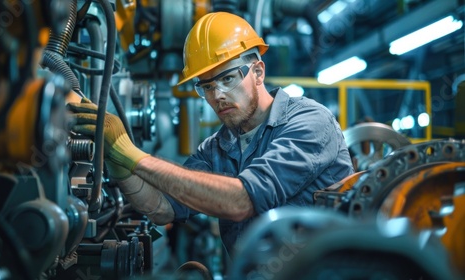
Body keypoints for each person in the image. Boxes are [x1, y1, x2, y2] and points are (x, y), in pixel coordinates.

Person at [67, 12, 354, 258]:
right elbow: (162, 209)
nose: (217, 95)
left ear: (258, 72)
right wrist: (120, 164)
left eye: (227, 78)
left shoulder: (310, 122)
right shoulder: (216, 148)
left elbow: (242, 200)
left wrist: (135, 156)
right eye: (206, 86)